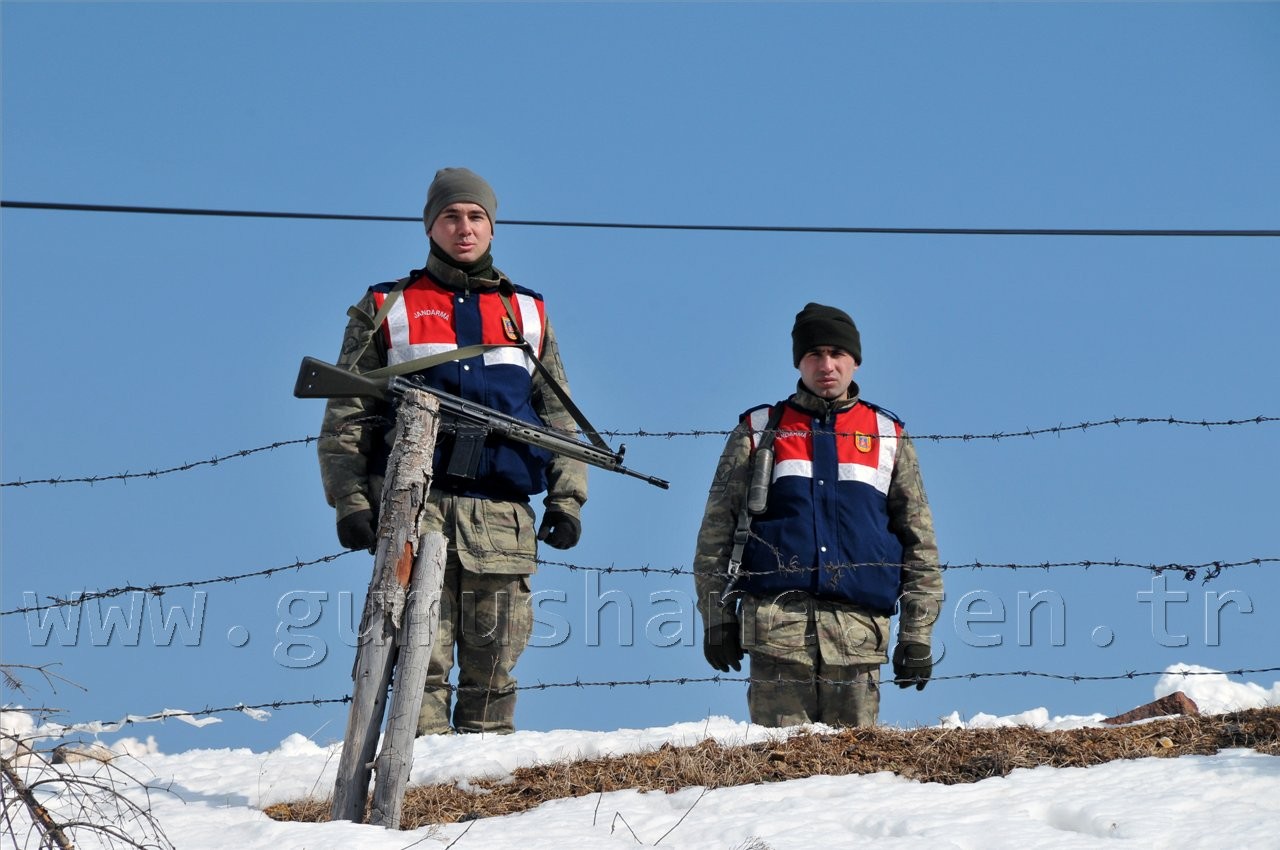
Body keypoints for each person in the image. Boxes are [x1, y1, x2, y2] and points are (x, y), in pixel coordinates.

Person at [317, 167, 587, 735]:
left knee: (495, 670)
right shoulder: (386, 306)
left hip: (502, 519)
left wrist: (569, 498)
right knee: (420, 663)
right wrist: (349, 500)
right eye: (451, 216)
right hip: (417, 510)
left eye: (476, 217)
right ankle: (417, 787)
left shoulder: (528, 313)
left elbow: (559, 415)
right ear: (429, 226)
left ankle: (482, 792)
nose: (464, 228)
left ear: (492, 227)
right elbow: (347, 413)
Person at [693, 302, 941, 727]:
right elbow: (716, 533)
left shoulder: (887, 435)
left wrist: (917, 635)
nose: (826, 365)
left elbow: (919, 542)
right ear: (798, 362)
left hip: (858, 638)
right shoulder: (759, 430)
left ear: (855, 361)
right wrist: (717, 619)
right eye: (814, 354)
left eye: (836, 353)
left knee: (856, 779)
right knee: (781, 772)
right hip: (777, 636)